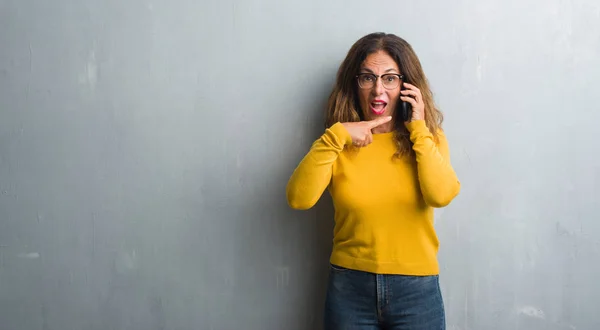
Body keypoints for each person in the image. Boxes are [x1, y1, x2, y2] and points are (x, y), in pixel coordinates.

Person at [285, 32, 461, 330]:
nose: (378, 89)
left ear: (406, 86)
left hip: (416, 292)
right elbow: (298, 199)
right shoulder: (336, 142)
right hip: (349, 288)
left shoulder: (428, 140)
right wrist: (337, 135)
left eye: (389, 78)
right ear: (355, 84)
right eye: (367, 77)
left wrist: (418, 128)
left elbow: (441, 195)